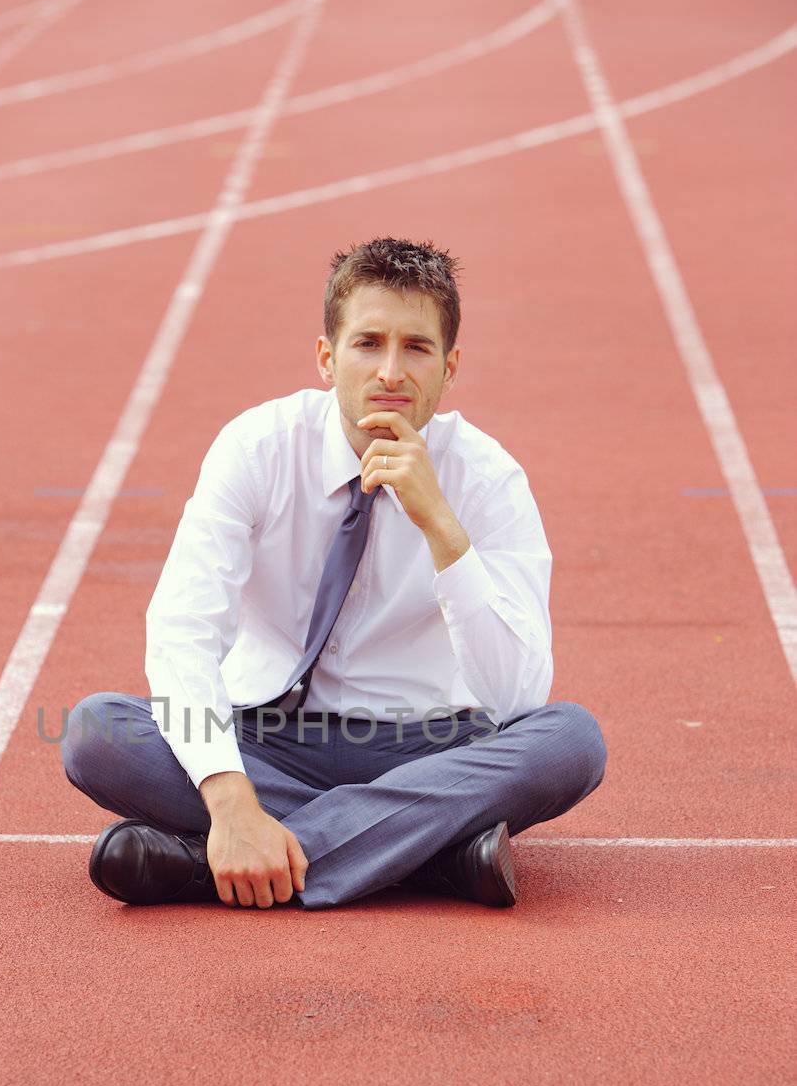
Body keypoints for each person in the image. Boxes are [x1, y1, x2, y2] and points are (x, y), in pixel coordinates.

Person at [62, 236, 607, 911]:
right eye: (366, 343)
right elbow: (182, 631)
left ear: (449, 367)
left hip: (430, 745)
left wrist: (441, 528)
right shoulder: (256, 449)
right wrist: (230, 799)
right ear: (326, 357)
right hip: (269, 740)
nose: (389, 372)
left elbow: (516, 694)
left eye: (416, 348)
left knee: (569, 742)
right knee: (95, 733)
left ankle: (206, 869)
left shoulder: (487, 477)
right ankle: (426, 854)